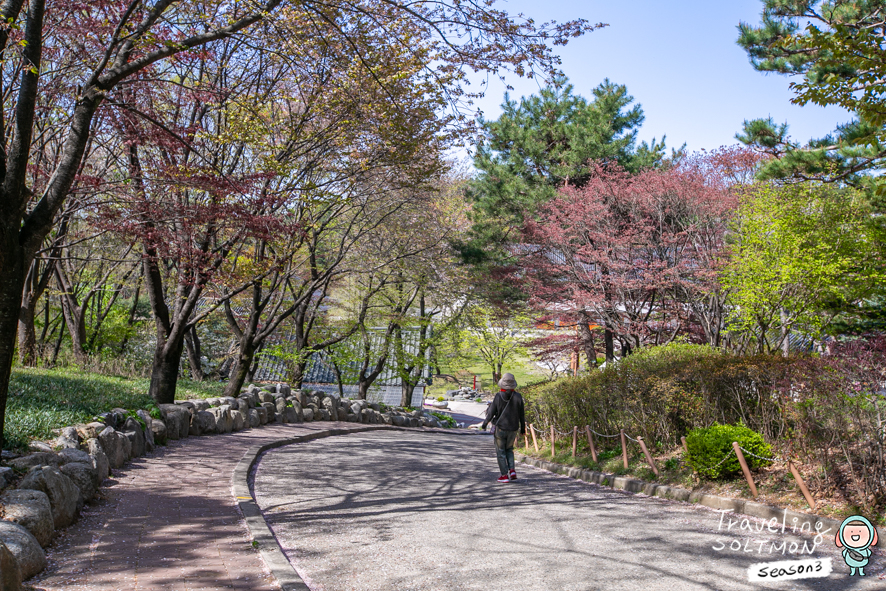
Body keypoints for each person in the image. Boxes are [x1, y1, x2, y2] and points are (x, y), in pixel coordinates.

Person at [481, 372, 526, 483]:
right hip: (513, 428)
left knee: (501, 451)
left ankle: (504, 475)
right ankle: (512, 470)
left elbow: (491, 413)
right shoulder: (518, 397)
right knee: (509, 449)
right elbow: (522, 415)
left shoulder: (498, 396)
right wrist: (523, 429)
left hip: (500, 428)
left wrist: (485, 424)